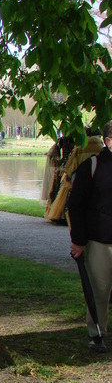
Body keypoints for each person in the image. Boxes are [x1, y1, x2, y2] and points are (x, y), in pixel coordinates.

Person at [67, 120, 112, 354]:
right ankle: (97, 334)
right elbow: (76, 205)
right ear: (108, 141)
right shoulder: (92, 167)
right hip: (99, 240)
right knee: (100, 291)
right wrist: (79, 240)